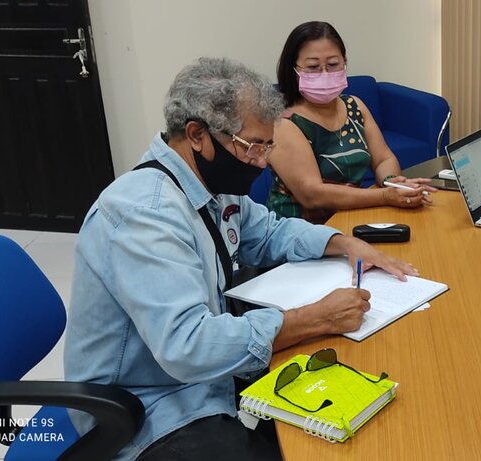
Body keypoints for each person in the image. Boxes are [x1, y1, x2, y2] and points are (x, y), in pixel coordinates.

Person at [64, 57, 418, 461]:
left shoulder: (210, 182)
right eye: (252, 146)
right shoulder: (144, 212)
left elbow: (268, 231)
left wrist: (342, 243)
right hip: (145, 410)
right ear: (197, 134)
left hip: (208, 383)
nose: (262, 162)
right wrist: (314, 317)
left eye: (267, 146)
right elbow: (188, 346)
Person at [268, 21, 436, 223]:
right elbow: (312, 195)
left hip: (351, 217)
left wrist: (392, 182)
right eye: (313, 67)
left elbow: (383, 159)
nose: (325, 74)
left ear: (344, 62)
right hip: (298, 232)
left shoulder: (354, 105)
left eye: (333, 64)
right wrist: (384, 196)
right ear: (294, 70)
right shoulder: (284, 123)